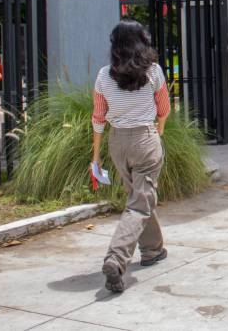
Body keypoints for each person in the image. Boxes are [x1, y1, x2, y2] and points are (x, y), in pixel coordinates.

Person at [91, 20, 170, 293]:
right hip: (145, 139)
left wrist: (96, 156)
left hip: (117, 142)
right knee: (139, 204)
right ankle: (116, 258)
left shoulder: (103, 75)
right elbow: (164, 109)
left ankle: (153, 249)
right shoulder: (153, 72)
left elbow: (98, 118)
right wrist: (157, 132)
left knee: (139, 197)